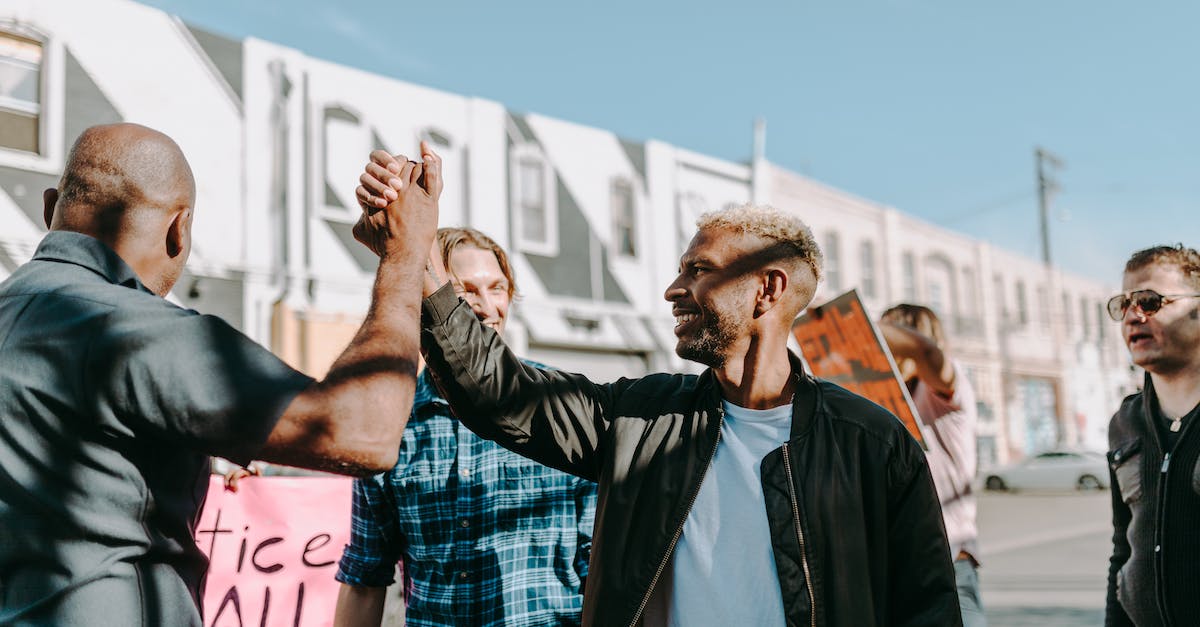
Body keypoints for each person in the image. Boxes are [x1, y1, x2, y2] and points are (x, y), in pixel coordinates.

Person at [359, 154, 960, 627]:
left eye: (698, 270)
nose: (673, 289)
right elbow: (499, 392)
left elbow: (927, 610)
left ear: (767, 289)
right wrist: (418, 256)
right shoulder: (639, 419)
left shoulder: (874, 444)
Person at [0, 123, 441, 626]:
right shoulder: (137, 331)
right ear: (178, 229)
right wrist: (405, 252)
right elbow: (364, 432)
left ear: (49, 207)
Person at [326, 226, 596, 627]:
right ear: (425, 300)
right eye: (464, 291)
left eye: (498, 288)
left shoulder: (559, 404)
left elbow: (602, 563)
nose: (487, 305)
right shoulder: (391, 425)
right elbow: (365, 575)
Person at [1105, 244, 1200, 627]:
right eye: (1123, 305)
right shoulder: (1124, 422)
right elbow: (1121, 550)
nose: (1133, 315)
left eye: (1150, 301)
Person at [879, 304, 984, 627]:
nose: (885, 353)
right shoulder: (883, 403)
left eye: (891, 340)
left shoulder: (945, 389)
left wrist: (850, 321)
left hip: (948, 561)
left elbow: (925, 353)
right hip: (896, 564)